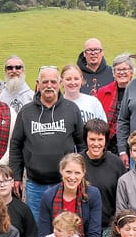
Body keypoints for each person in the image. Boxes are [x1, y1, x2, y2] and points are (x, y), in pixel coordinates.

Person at [9, 65, 85, 222]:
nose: (49, 86)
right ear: (38, 84)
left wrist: (81, 175)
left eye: (53, 81)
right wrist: (16, 176)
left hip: (65, 183)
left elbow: (82, 144)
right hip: (35, 185)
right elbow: (16, 146)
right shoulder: (26, 111)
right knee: (37, 227)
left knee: (66, 226)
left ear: (60, 83)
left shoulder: (72, 109)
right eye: (45, 82)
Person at [36, 154, 103, 237]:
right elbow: (43, 235)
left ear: (83, 173)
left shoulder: (93, 194)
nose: (72, 177)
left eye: (77, 173)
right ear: (61, 171)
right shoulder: (49, 196)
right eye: (68, 172)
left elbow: (94, 234)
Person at [81, 119, 127, 229]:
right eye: (92, 139)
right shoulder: (77, 162)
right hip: (84, 226)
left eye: (100, 139)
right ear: (85, 139)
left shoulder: (116, 163)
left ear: (106, 140)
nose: (96, 144)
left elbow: (123, 197)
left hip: (109, 226)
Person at [95, 53, 134, 149]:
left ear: (132, 72)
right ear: (113, 73)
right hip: (108, 141)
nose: (121, 72)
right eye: (118, 69)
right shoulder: (102, 92)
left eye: (125, 69)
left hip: (131, 140)